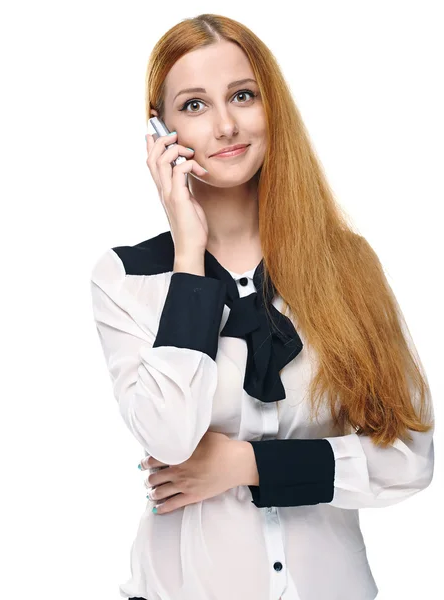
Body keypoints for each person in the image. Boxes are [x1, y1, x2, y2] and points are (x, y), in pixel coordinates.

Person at [90, 13, 435, 600]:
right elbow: (169, 438)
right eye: (194, 106)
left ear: (272, 106)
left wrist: (248, 466)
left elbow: (408, 457)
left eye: (243, 96)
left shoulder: (346, 263)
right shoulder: (127, 278)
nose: (225, 125)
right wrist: (190, 257)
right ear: (161, 129)